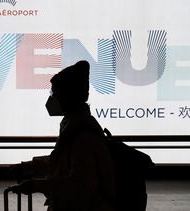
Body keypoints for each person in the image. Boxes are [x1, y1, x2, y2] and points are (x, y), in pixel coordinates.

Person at [8, 60, 116, 211]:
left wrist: (37, 185)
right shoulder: (73, 126)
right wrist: (27, 167)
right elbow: (59, 164)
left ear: (67, 96)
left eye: (54, 93)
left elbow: (79, 185)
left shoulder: (83, 136)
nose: (51, 98)